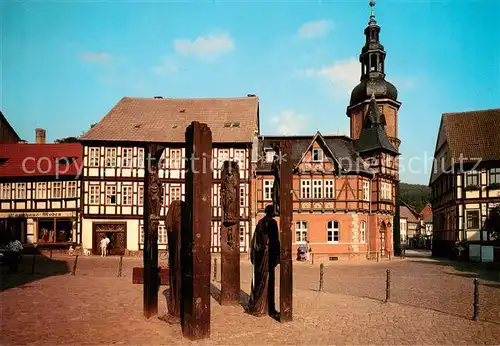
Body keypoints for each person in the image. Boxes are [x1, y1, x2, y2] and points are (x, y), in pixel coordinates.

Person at [248, 205, 280, 317]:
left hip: (259, 255)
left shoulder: (260, 222)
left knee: (259, 279)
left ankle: (257, 305)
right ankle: (268, 308)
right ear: (272, 212)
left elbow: (254, 240)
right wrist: (277, 256)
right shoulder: (273, 223)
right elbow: (275, 241)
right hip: (268, 255)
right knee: (269, 281)